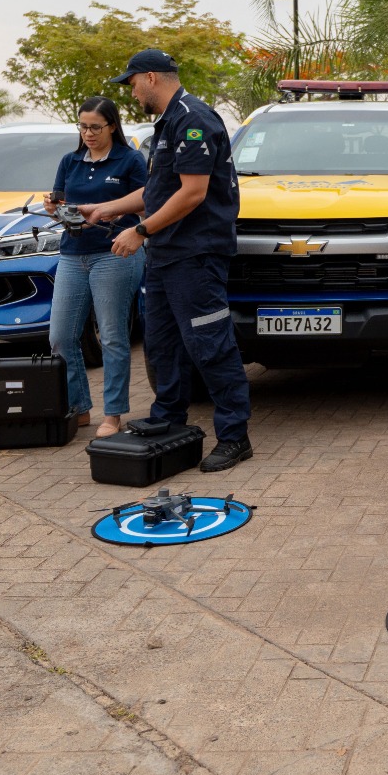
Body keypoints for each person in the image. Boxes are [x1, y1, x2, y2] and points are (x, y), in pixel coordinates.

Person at [84, 49, 252, 473]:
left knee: (210, 346)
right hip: (167, 254)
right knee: (163, 344)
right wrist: (105, 209)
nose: (132, 92)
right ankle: (168, 419)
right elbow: (155, 192)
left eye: (133, 83)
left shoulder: (193, 119)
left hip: (194, 255)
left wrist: (140, 232)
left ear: (152, 77)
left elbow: (193, 192)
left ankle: (235, 436)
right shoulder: (167, 124)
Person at [47, 97, 147, 438]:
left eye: (95, 127)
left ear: (112, 127)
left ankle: (114, 414)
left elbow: (149, 198)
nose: (87, 133)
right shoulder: (70, 161)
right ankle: (78, 407)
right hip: (73, 254)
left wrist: (112, 210)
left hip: (115, 254)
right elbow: (62, 206)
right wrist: (53, 207)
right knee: (60, 336)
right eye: (83, 126)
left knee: (113, 336)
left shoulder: (130, 160)